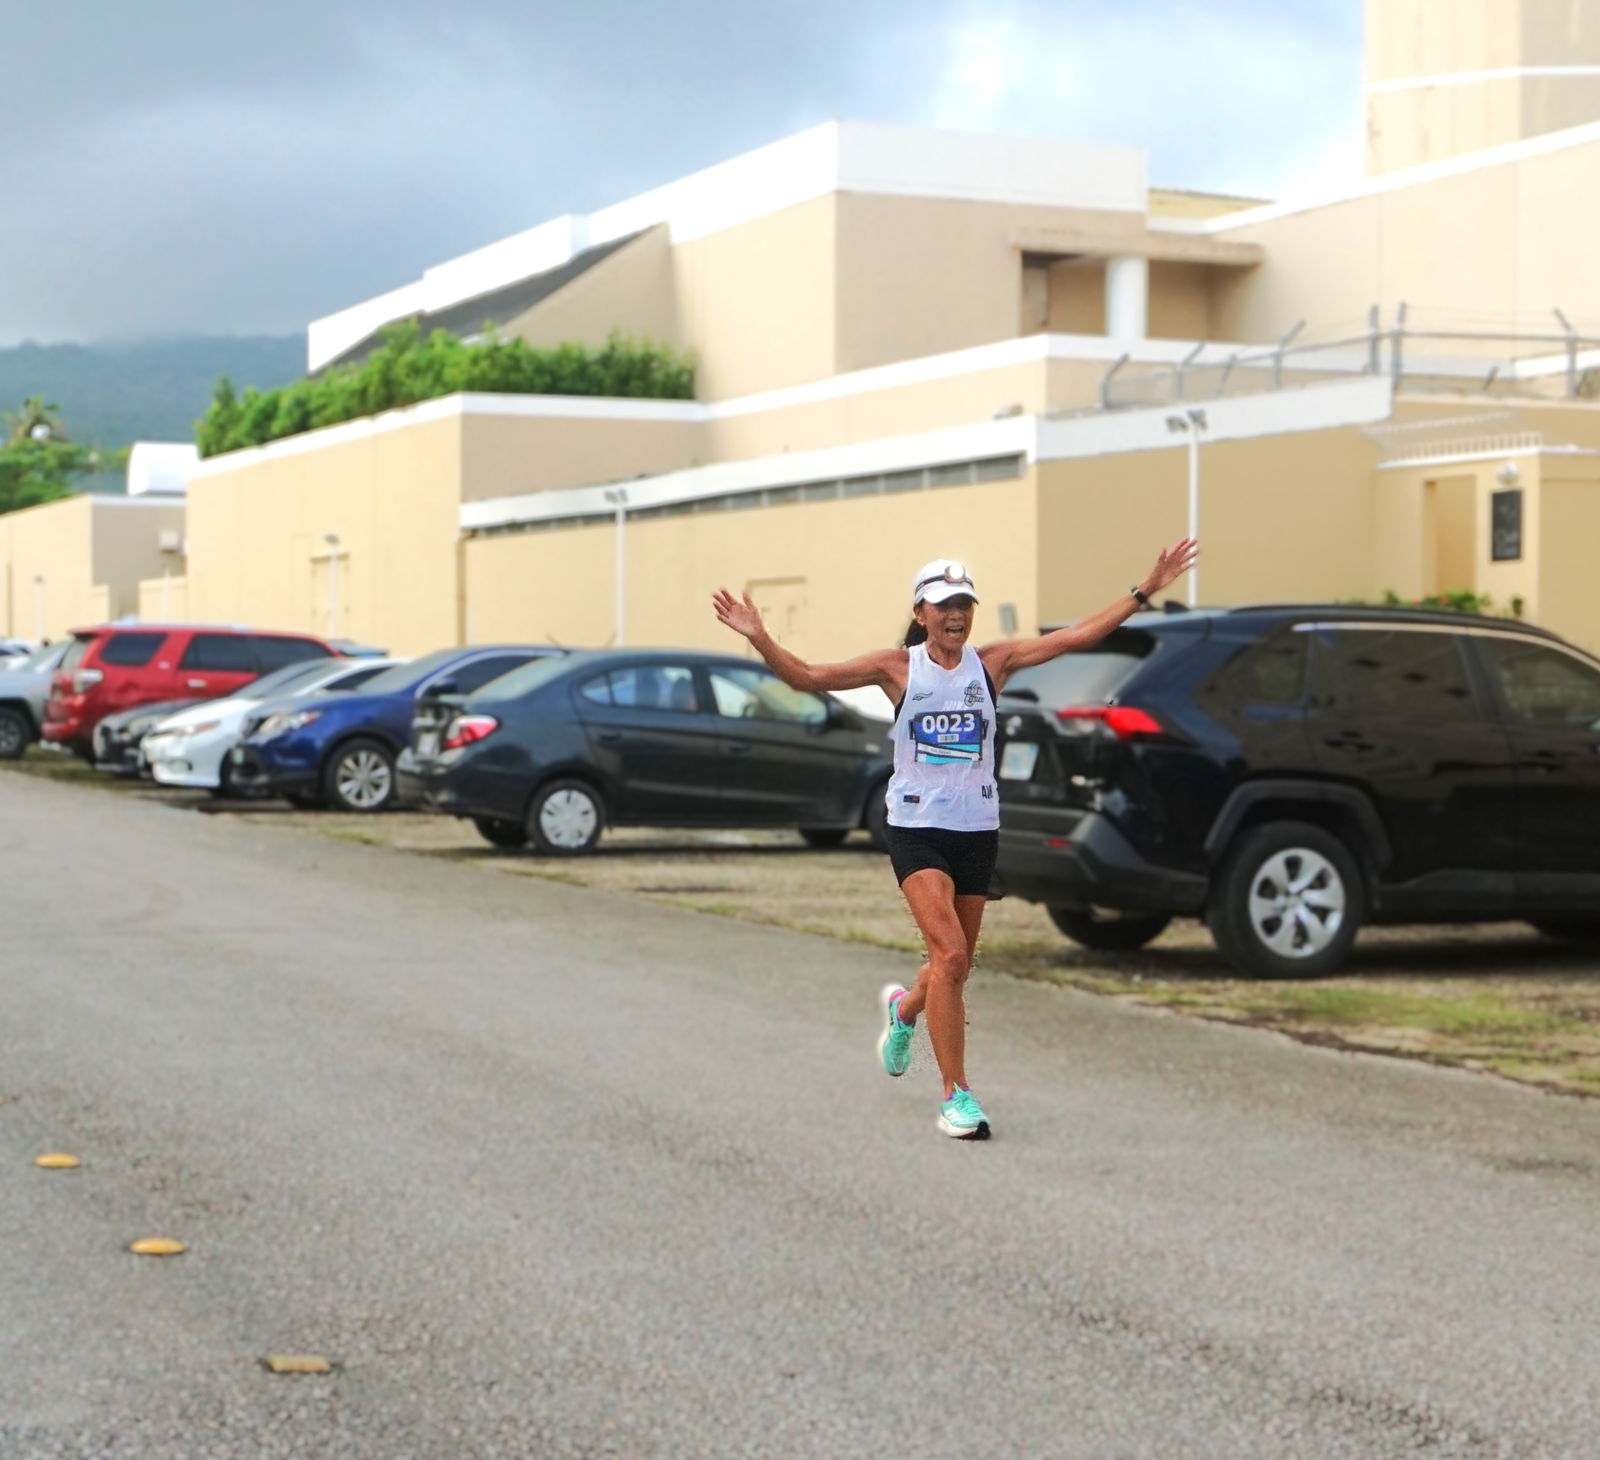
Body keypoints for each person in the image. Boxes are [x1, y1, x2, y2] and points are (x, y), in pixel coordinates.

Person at [712, 539, 1198, 1140]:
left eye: (964, 602)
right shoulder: (897, 667)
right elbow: (808, 677)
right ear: (921, 613)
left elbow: (1075, 637)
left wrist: (1143, 589)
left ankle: (904, 1011)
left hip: (977, 829)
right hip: (916, 828)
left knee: (955, 967)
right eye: (943, 604)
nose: (956, 614)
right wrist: (758, 637)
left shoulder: (992, 663)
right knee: (948, 955)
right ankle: (956, 1096)